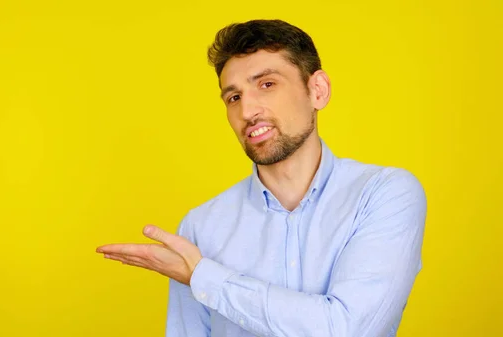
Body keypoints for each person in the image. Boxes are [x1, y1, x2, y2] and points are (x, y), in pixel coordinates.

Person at [96, 19, 427, 337]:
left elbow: (346, 329)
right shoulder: (199, 228)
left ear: (318, 90)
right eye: (234, 97)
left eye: (267, 84)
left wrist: (204, 277)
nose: (247, 111)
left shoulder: (384, 195)